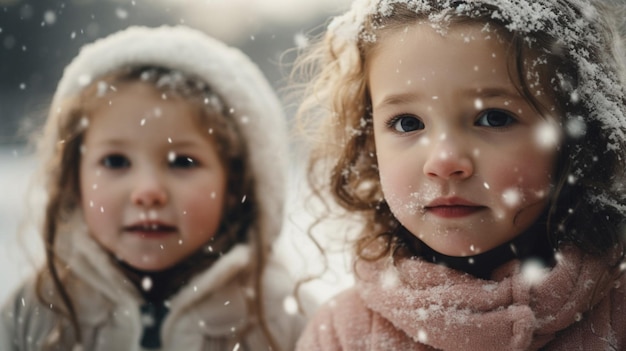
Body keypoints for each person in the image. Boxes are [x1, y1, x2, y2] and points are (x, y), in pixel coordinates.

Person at [292, 0, 626, 349]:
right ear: (368, 140)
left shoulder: (617, 312)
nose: (444, 161)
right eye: (408, 123)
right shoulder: (343, 333)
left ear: (575, 134)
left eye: (494, 118)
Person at [0, 25, 307, 351]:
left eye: (182, 162)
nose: (147, 191)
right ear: (72, 181)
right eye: (116, 162)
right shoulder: (38, 313)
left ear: (235, 185)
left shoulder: (283, 321)